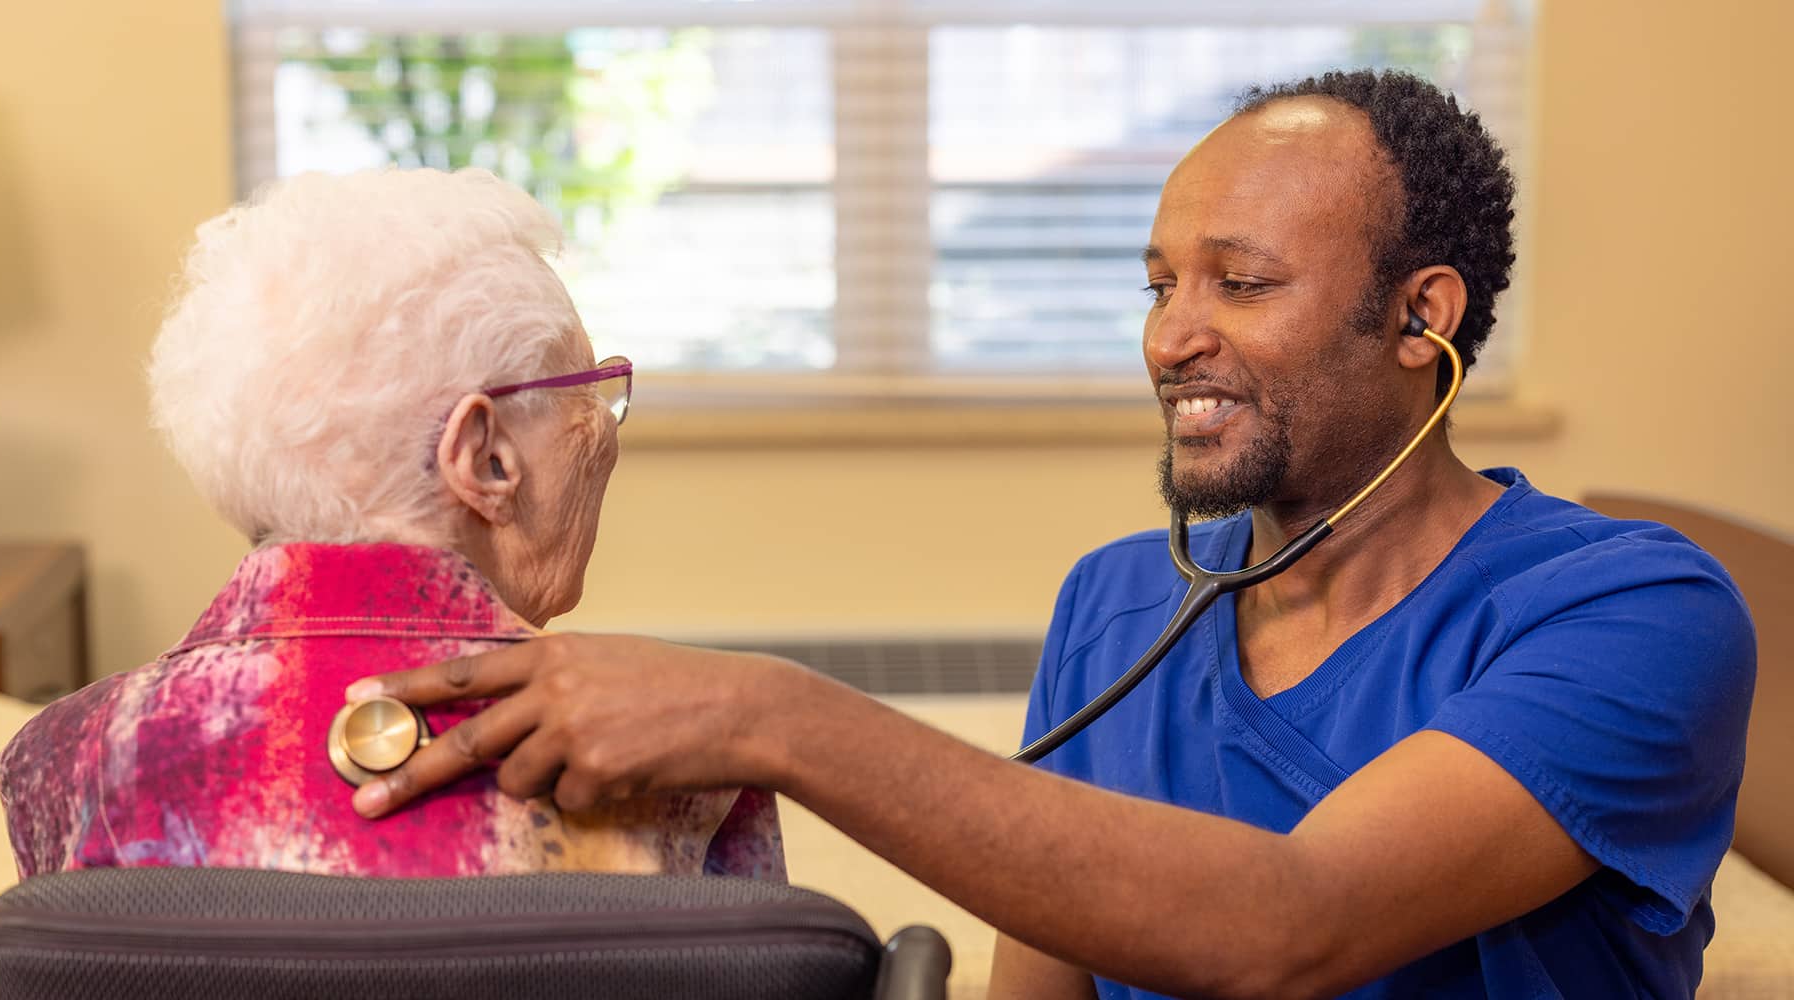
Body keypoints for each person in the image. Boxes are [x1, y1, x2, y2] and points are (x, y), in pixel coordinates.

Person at [342, 71, 1755, 998]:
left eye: (1242, 283)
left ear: (1420, 319)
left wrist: (769, 714)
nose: (1173, 337)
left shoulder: (1632, 614)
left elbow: (1294, 922)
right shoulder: (1119, 603)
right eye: (1159, 285)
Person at [0, 168, 782, 883]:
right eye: (591, 390)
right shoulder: (682, 757)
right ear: (487, 458)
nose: (605, 432)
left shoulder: (62, 764)